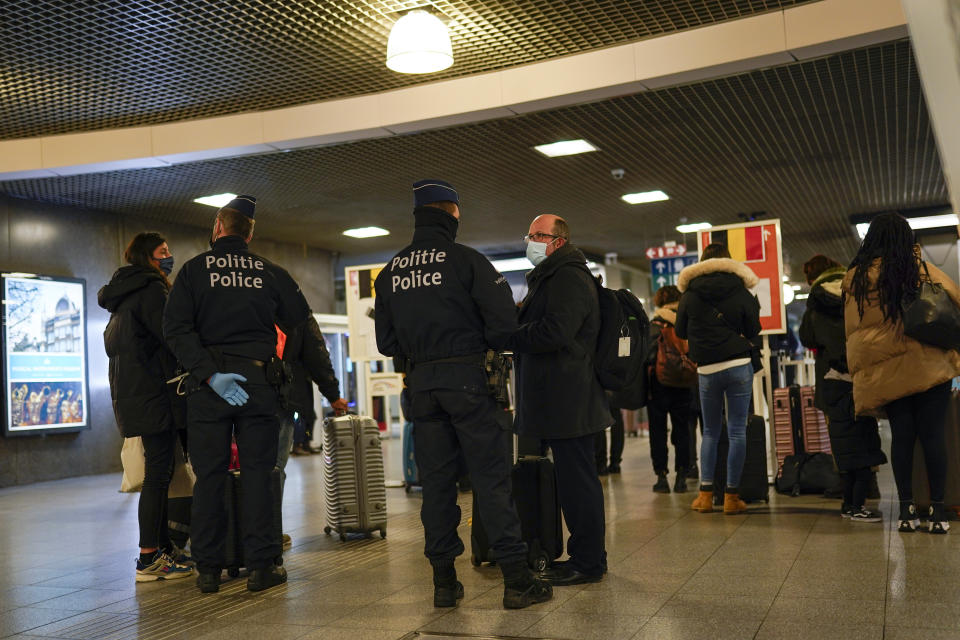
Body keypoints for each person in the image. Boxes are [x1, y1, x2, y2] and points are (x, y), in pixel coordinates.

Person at [374, 179, 552, 610]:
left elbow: (386, 342)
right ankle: (515, 579)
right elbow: (503, 329)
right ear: (453, 213)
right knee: (491, 481)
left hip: (422, 388)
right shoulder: (469, 262)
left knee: (436, 485)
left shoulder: (393, 271)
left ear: (418, 215)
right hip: (471, 385)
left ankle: (444, 583)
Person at [163, 195, 311, 592]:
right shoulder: (269, 271)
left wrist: (211, 375)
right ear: (250, 232)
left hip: (208, 388)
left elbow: (175, 330)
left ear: (218, 227)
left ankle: (208, 570)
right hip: (259, 384)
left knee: (209, 477)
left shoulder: (193, 271)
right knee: (260, 475)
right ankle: (262, 567)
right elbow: (298, 316)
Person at [509, 214, 611, 585]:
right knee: (572, 481)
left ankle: (588, 562)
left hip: (570, 397)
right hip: (561, 396)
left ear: (558, 240)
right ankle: (583, 556)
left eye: (538, 235)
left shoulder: (567, 276)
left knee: (578, 482)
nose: (531, 240)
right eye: (530, 234)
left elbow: (557, 330)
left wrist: (513, 334)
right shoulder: (552, 276)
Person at [843, 213, 960, 533]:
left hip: (887, 372)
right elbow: (954, 296)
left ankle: (907, 510)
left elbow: (854, 333)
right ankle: (937, 512)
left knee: (903, 438)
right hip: (929, 365)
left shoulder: (855, 278)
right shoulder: (918, 268)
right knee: (934, 437)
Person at [99, 232, 194, 583]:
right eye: (163, 252)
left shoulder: (122, 298)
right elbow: (172, 338)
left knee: (162, 473)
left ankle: (163, 548)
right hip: (156, 396)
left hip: (136, 396)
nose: (169, 256)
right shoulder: (153, 291)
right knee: (158, 474)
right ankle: (149, 557)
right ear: (147, 257)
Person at [800, 254, 886, 522]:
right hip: (862, 372)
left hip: (832, 377)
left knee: (842, 435)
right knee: (865, 431)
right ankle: (868, 485)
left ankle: (849, 494)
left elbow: (807, 337)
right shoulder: (858, 291)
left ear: (813, 278)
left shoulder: (815, 300)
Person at [676, 243, 761, 515]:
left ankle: (705, 496)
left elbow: (680, 330)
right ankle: (731, 498)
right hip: (738, 364)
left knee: (710, 432)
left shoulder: (689, 294)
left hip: (707, 370)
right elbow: (754, 328)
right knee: (737, 431)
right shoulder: (740, 289)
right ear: (727, 261)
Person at [646, 285, 692, 494]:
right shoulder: (686, 322)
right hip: (684, 382)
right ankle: (682, 476)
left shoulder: (653, 325)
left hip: (658, 385)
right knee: (682, 429)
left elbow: (646, 356)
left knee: (658, 430)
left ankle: (661, 477)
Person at [595, 398, 625, 474]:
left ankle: (601, 464)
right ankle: (615, 463)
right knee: (616, 418)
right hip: (614, 391)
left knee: (599, 420)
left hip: (598, 391)